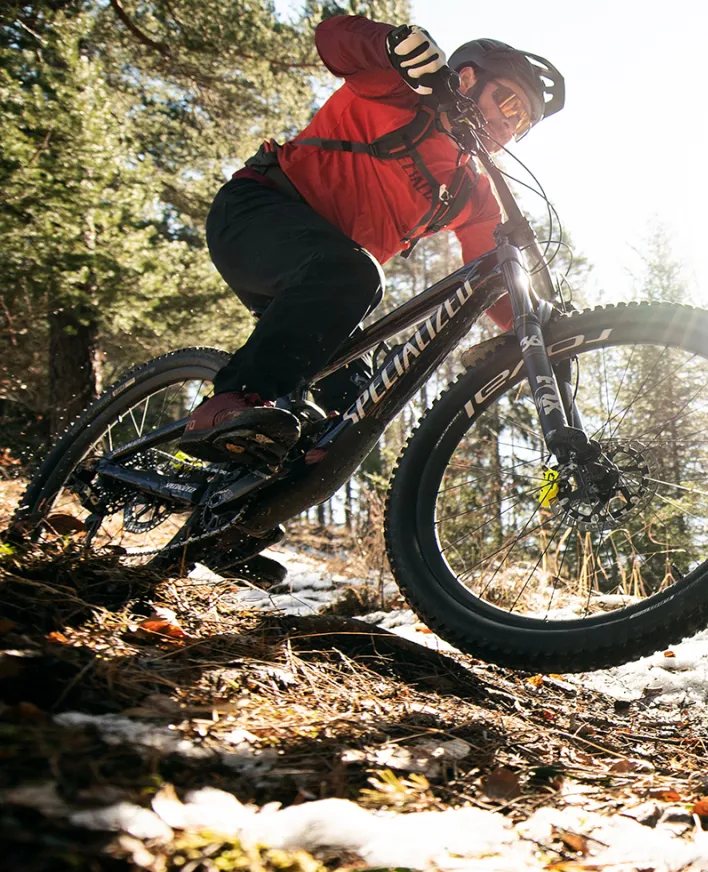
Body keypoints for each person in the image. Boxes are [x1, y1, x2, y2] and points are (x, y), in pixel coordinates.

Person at [174, 13, 563, 585]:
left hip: (323, 288)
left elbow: (501, 297)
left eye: (521, 123)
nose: (508, 126)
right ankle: (230, 400)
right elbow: (334, 39)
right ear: (467, 77)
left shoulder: (473, 189)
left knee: (350, 417)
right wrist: (391, 45)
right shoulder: (404, 92)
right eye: (506, 103)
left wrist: (538, 327)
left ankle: (224, 527)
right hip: (257, 213)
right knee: (354, 275)